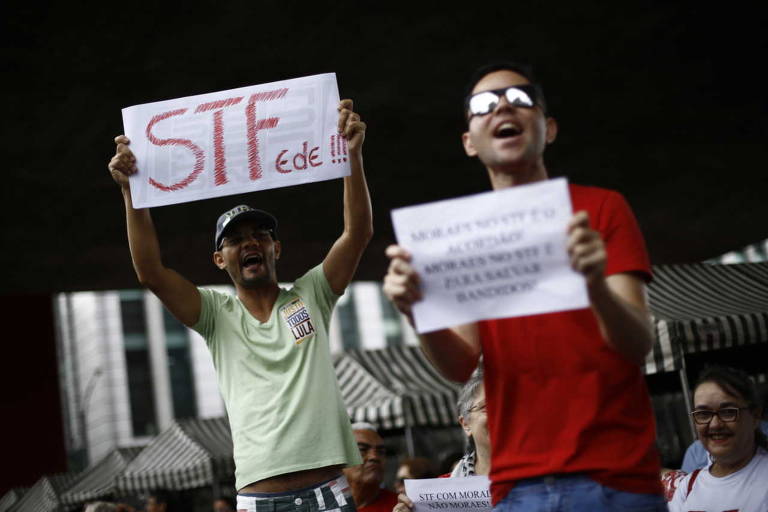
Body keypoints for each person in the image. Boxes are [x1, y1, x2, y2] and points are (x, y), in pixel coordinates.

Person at [383, 62, 665, 511]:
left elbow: (638, 343)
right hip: (516, 488)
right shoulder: (460, 236)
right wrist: (415, 312)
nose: (501, 107)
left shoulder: (601, 208)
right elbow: (461, 365)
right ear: (469, 142)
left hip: (615, 476)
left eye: (520, 98)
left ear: (548, 129)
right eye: (482, 105)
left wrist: (593, 285)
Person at [108, 99, 372, 510]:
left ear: (276, 248)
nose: (250, 242)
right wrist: (131, 193)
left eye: (260, 234)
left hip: (329, 492)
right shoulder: (215, 314)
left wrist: (352, 156)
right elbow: (150, 273)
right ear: (219, 259)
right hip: (257, 498)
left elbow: (357, 233)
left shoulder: (312, 293)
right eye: (234, 239)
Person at [669, 366, 768, 511]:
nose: (715, 424)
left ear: (755, 416)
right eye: (703, 414)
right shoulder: (688, 486)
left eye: (728, 412)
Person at [394, 364, 490, 512]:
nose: (500, 414)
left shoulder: (537, 479)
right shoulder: (439, 492)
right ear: (465, 424)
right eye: (488, 407)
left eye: (508, 407)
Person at [343, 423, 398, 512]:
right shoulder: (320, 506)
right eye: (362, 449)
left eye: (380, 452)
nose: (374, 457)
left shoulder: (401, 507)